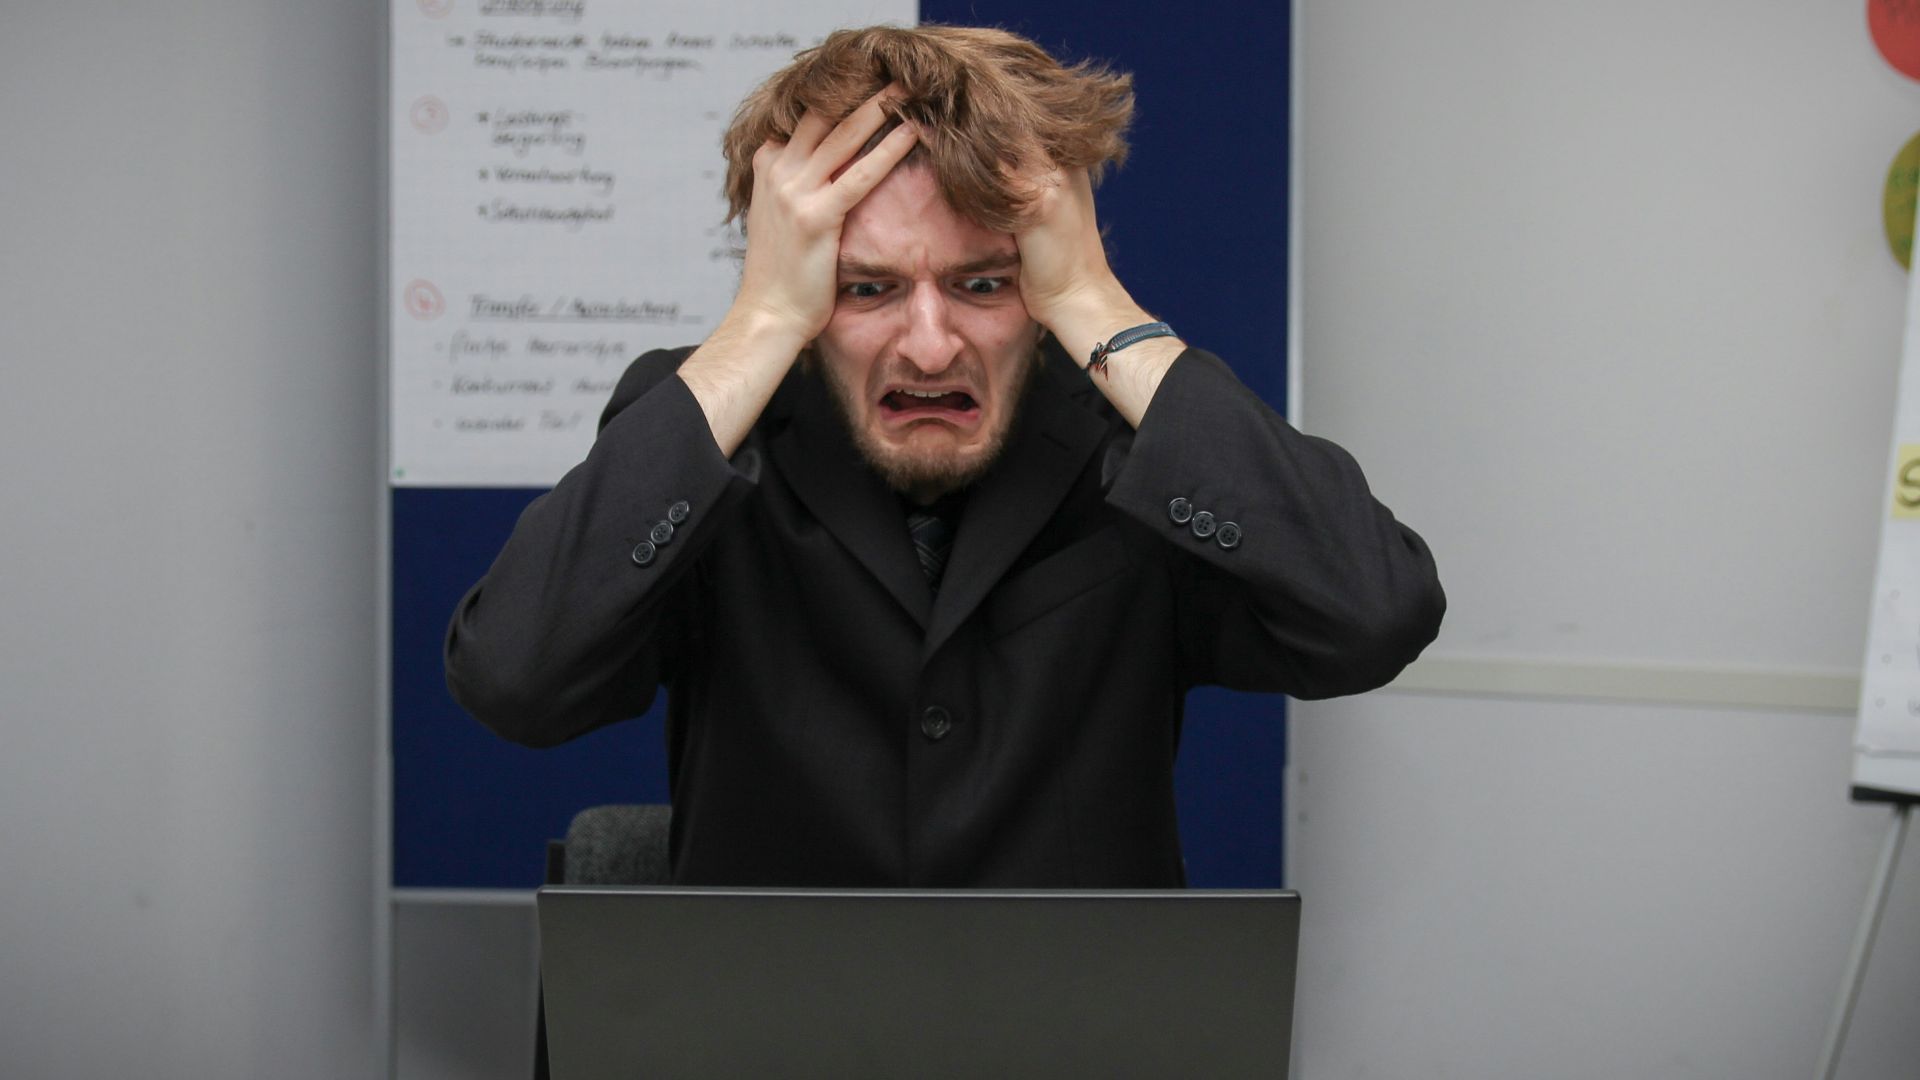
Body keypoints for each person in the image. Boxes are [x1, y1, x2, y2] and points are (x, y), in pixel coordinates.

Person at [445, 25, 1444, 887]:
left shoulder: (1129, 439)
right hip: (769, 1032)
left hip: (1073, 1037)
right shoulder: (714, 435)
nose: (928, 346)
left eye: (982, 283)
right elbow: (517, 678)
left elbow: (1371, 615)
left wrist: (1096, 307)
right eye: (867, 289)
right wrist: (759, 325)